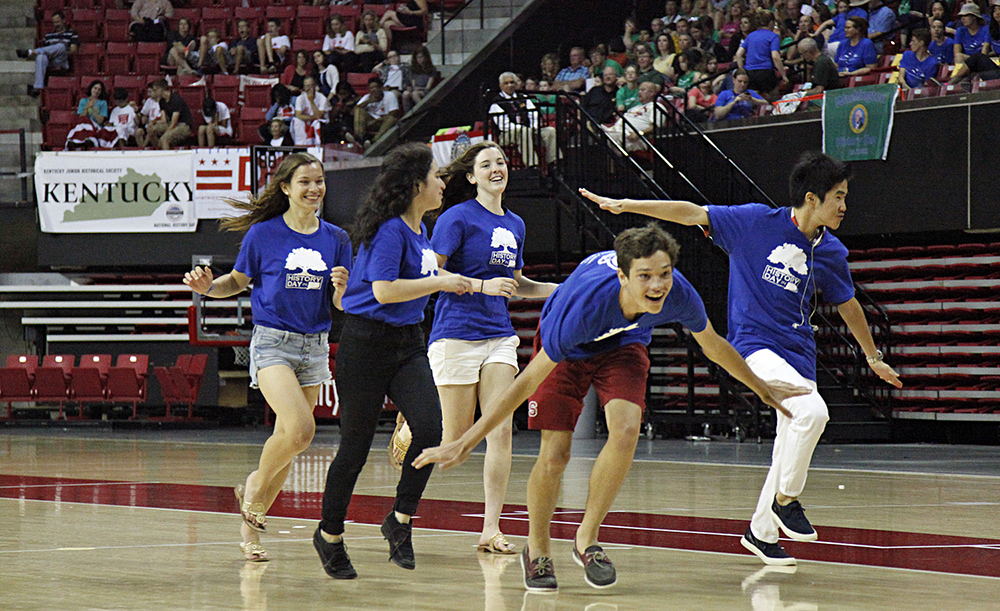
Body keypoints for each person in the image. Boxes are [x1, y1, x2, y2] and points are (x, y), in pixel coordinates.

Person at [413, 221, 807, 591]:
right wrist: (468, 439)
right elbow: (525, 382)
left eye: (665, 273)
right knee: (555, 454)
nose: (658, 285)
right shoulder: (583, 308)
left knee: (625, 429)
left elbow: (714, 345)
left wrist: (761, 387)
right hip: (567, 350)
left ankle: (587, 539)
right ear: (622, 276)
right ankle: (538, 549)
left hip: (623, 344)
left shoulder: (679, 293)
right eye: (645, 276)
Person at [578, 152, 902, 567]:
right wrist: (628, 207)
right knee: (814, 414)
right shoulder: (754, 222)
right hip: (754, 346)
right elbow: (691, 212)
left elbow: (849, 305)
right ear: (811, 198)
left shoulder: (831, 251)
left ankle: (761, 534)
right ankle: (786, 501)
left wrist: (872, 356)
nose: (844, 205)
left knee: (789, 445)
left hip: (799, 354)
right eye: (838, 196)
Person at [312, 143, 475, 579]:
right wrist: (441, 280)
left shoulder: (421, 228)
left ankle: (400, 519)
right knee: (355, 448)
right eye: (437, 177)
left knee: (430, 427)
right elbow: (383, 291)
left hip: (407, 342)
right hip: (366, 344)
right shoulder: (389, 230)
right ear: (416, 184)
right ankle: (329, 535)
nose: (443, 183)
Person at [390, 142, 558, 556]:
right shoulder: (455, 218)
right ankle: (410, 422)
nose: (496, 168)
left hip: (499, 335)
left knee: (500, 429)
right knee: (454, 440)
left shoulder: (516, 223)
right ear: (471, 176)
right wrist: (480, 284)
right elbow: (433, 270)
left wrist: (565, 291)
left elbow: (518, 284)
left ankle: (490, 529)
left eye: (501, 162)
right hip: (455, 333)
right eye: (486, 164)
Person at [184, 153, 350, 563]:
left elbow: (343, 304)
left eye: (319, 181)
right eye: (305, 181)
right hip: (273, 342)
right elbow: (236, 283)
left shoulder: (337, 238)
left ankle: (250, 522)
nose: (314, 188)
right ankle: (255, 492)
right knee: (299, 428)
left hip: (315, 344)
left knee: (291, 440)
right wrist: (207, 288)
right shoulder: (263, 235)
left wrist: (344, 289)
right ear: (286, 188)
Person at [488, 72, 558, 168]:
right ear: (501, 86)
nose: (510, 85)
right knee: (524, 131)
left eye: (512, 82)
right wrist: (525, 128)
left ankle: (554, 163)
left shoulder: (524, 98)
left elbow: (534, 115)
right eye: (506, 83)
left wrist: (534, 127)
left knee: (550, 131)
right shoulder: (496, 103)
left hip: (528, 131)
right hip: (507, 135)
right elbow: (505, 126)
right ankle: (532, 165)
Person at [17, 11, 79, 97]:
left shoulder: (72, 34)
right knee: (41, 56)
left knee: (61, 46)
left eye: (58, 22)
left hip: (62, 59)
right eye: (54, 22)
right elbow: (43, 50)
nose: (56, 24)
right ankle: (37, 88)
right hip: (50, 60)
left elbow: (73, 50)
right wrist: (51, 52)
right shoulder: (49, 36)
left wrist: (58, 51)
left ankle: (30, 52)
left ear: (63, 20)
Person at [735, 9, 789, 99]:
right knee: (773, 98)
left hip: (750, 72)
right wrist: (783, 75)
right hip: (766, 71)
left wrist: (742, 71)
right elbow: (775, 56)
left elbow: (738, 54)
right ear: (771, 22)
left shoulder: (750, 36)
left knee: (753, 99)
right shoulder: (773, 36)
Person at [602, 81, 665, 151]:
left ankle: (620, 159)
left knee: (608, 138)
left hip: (636, 138)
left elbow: (655, 127)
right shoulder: (634, 108)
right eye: (639, 90)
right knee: (601, 135)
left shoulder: (656, 106)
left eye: (643, 90)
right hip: (619, 132)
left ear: (652, 93)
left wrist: (639, 133)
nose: (639, 92)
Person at [948, 1, 1000, 84]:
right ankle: (954, 86)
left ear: (974, 17)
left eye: (999, 10)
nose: (997, 13)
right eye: (995, 10)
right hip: (994, 69)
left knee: (977, 59)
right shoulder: (994, 30)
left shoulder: (986, 29)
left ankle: (950, 84)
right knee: (974, 62)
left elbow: (984, 53)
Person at [350, 77, 401, 148]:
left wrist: (377, 121)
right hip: (370, 123)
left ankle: (373, 142)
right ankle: (360, 138)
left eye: (376, 87)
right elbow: (353, 112)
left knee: (391, 119)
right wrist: (368, 101)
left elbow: (394, 114)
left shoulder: (390, 95)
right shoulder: (367, 97)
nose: (373, 89)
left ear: (381, 88)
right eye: (371, 88)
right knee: (359, 110)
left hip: (383, 123)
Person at [145, 78, 192, 150]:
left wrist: (164, 135)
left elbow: (173, 123)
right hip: (170, 123)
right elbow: (164, 120)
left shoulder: (175, 100)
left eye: (155, 90)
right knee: (151, 130)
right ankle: (159, 150)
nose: (153, 92)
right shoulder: (162, 101)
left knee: (164, 139)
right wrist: (153, 122)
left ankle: (167, 157)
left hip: (183, 125)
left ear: (160, 89)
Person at [65, 80, 109, 150]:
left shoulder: (103, 103)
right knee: (83, 122)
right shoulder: (83, 101)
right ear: (91, 89)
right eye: (95, 88)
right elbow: (81, 117)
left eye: (99, 89)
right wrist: (87, 107)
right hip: (83, 124)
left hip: (95, 125)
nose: (96, 91)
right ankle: (75, 141)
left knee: (87, 123)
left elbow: (100, 121)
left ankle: (90, 141)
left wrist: (93, 109)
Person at [797, 37, 841, 107]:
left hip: (828, 100)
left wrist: (801, 94)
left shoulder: (821, 63)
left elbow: (819, 89)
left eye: (801, 54)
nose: (802, 57)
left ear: (808, 52)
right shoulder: (819, 61)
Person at [291, 77, 330, 146]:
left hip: (321, 122)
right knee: (297, 121)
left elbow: (319, 116)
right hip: (307, 120)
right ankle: (300, 145)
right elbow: (298, 115)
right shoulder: (300, 98)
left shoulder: (322, 98)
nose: (308, 88)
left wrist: (311, 101)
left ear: (315, 86)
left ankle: (317, 145)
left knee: (316, 123)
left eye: (310, 86)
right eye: (306, 86)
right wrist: (313, 117)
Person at [134, 83, 162, 148]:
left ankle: (143, 148)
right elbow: (143, 115)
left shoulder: (163, 101)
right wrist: (136, 112)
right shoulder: (149, 101)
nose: (149, 94)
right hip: (149, 126)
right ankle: (141, 148)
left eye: (150, 92)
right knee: (138, 132)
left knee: (151, 130)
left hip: (159, 125)